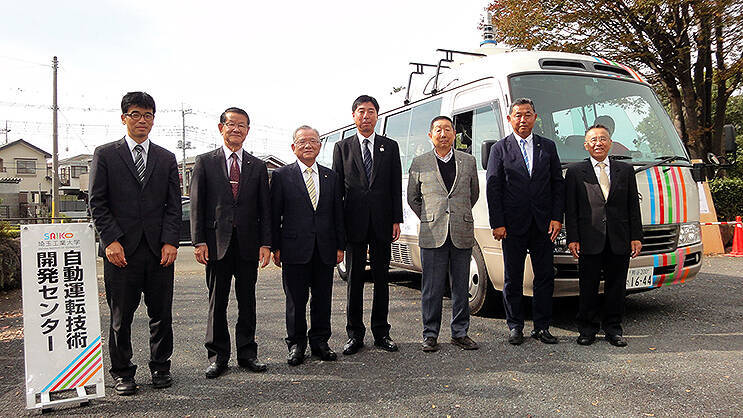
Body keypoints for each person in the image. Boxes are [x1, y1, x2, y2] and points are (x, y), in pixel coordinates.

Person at [89, 91, 181, 395]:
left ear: (153, 119)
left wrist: (170, 241)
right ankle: (122, 372)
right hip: (120, 251)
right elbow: (97, 202)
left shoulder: (166, 158)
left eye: (148, 115)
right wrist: (110, 240)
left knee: (161, 314)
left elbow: (173, 205)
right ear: (124, 118)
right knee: (121, 316)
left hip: (158, 251)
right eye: (136, 114)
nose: (142, 120)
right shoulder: (106, 154)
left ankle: (161, 367)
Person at [189, 107, 271, 378]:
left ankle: (248, 353)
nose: (236, 129)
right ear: (221, 127)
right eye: (231, 124)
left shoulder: (257, 166)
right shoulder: (205, 162)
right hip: (216, 244)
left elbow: (265, 209)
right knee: (218, 301)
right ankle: (218, 356)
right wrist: (199, 241)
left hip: (248, 243)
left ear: (248, 130)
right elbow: (197, 204)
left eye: (242, 125)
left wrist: (266, 243)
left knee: (247, 301)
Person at [485, 98, 565, 346]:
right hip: (512, 226)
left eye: (527, 114)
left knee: (544, 276)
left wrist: (557, 217)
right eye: (518, 115)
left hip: (544, 224)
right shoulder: (500, 148)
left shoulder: (547, 147)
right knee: (513, 277)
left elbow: (557, 184)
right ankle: (515, 326)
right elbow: (493, 188)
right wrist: (498, 223)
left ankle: (542, 326)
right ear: (509, 119)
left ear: (535, 117)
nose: (523, 119)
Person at [332, 95, 403, 355]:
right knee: (355, 280)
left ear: (377, 116)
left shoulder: (390, 146)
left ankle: (382, 332)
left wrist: (396, 219)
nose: (366, 116)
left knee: (382, 278)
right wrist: (339, 228)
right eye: (361, 111)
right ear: (353, 116)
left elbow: (395, 184)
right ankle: (354, 334)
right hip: (354, 224)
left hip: (383, 222)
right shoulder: (342, 147)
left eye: (371, 111)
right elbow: (337, 191)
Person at [270, 125, 345, 366]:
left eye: (313, 141)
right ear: (294, 147)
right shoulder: (281, 176)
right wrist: (275, 247)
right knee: (295, 300)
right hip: (293, 249)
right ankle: (296, 344)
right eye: (302, 141)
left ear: (320, 146)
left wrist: (340, 246)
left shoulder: (331, 176)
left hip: (325, 247)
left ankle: (320, 342)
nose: (308, 145)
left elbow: (337, 213)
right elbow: (274, 215)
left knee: (322, 298)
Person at [565, 124, 642, 347]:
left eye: (603, 139)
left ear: (610, 143)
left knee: (616, 287)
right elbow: (571, 208)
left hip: (619, 238)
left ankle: (614, 329)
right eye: (593, 140)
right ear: (586, 145)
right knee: (587, 286)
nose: (598, 143)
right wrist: (573, 238)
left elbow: (633, 206)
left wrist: (636, 236)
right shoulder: (575, 172)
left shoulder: (625, 170)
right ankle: (586, 329)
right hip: (589, 238)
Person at [407, 116, 480, 352]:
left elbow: (473, 194)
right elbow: (413, 198)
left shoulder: (468, 161)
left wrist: (458, 214)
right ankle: (430, 334)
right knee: (432, 288)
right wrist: (430, 216)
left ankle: (460, 333)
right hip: (432, 232)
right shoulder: (420, 162)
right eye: (438, 130)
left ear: (454, 134)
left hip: (461, 230)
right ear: (430, 135)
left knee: (461, 287)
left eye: (447, 129)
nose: (443, 134)